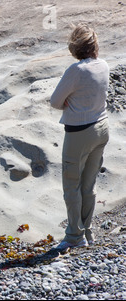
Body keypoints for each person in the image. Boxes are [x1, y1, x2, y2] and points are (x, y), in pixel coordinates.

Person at [50, 24, 110, 251]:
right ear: (94, 45)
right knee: (89, 184)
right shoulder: (103, 65)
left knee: (71, 185)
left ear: (75, 47)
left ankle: (74, 236)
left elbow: (55, 101)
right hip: (102, 128)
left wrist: (69, 102)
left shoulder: (76, 70)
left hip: (79, 133)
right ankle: (88, 232)